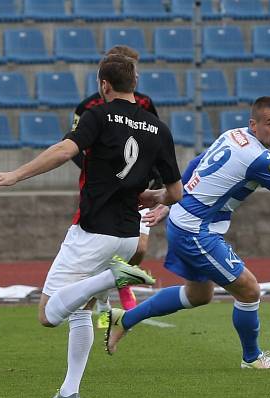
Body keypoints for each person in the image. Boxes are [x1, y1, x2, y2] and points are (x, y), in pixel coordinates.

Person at [0, 54, 182, 398]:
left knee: (47, 315)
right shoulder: (158, 128)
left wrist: (14, 175)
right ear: (134, 84)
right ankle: (69, 392)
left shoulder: (98, 114)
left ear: (104, 85)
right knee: (80, 310)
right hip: (127, 235)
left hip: (92, 231)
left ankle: (112, 278)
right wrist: (154, 195)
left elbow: (64, 151)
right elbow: (176, 193)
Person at [106, 96, 270, 373]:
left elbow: (197, 163)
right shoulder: (260, 158)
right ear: (253, 125)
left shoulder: (233, 134)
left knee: (198, 295)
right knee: (249, 290)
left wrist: (169, 202)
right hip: (196, 231)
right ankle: (252, 357)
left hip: (185, 221)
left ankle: (125, 318)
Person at [70, 44, 167, 329]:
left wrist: (159, 179)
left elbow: (155, 143)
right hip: (101, 192)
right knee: (100, 253)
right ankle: (102, 301)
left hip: (137, 187)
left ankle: (119, 283)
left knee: (138, 247)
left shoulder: (145, 104)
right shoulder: (88, 108)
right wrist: (98, 175)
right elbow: (74, 148)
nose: (135, 75)